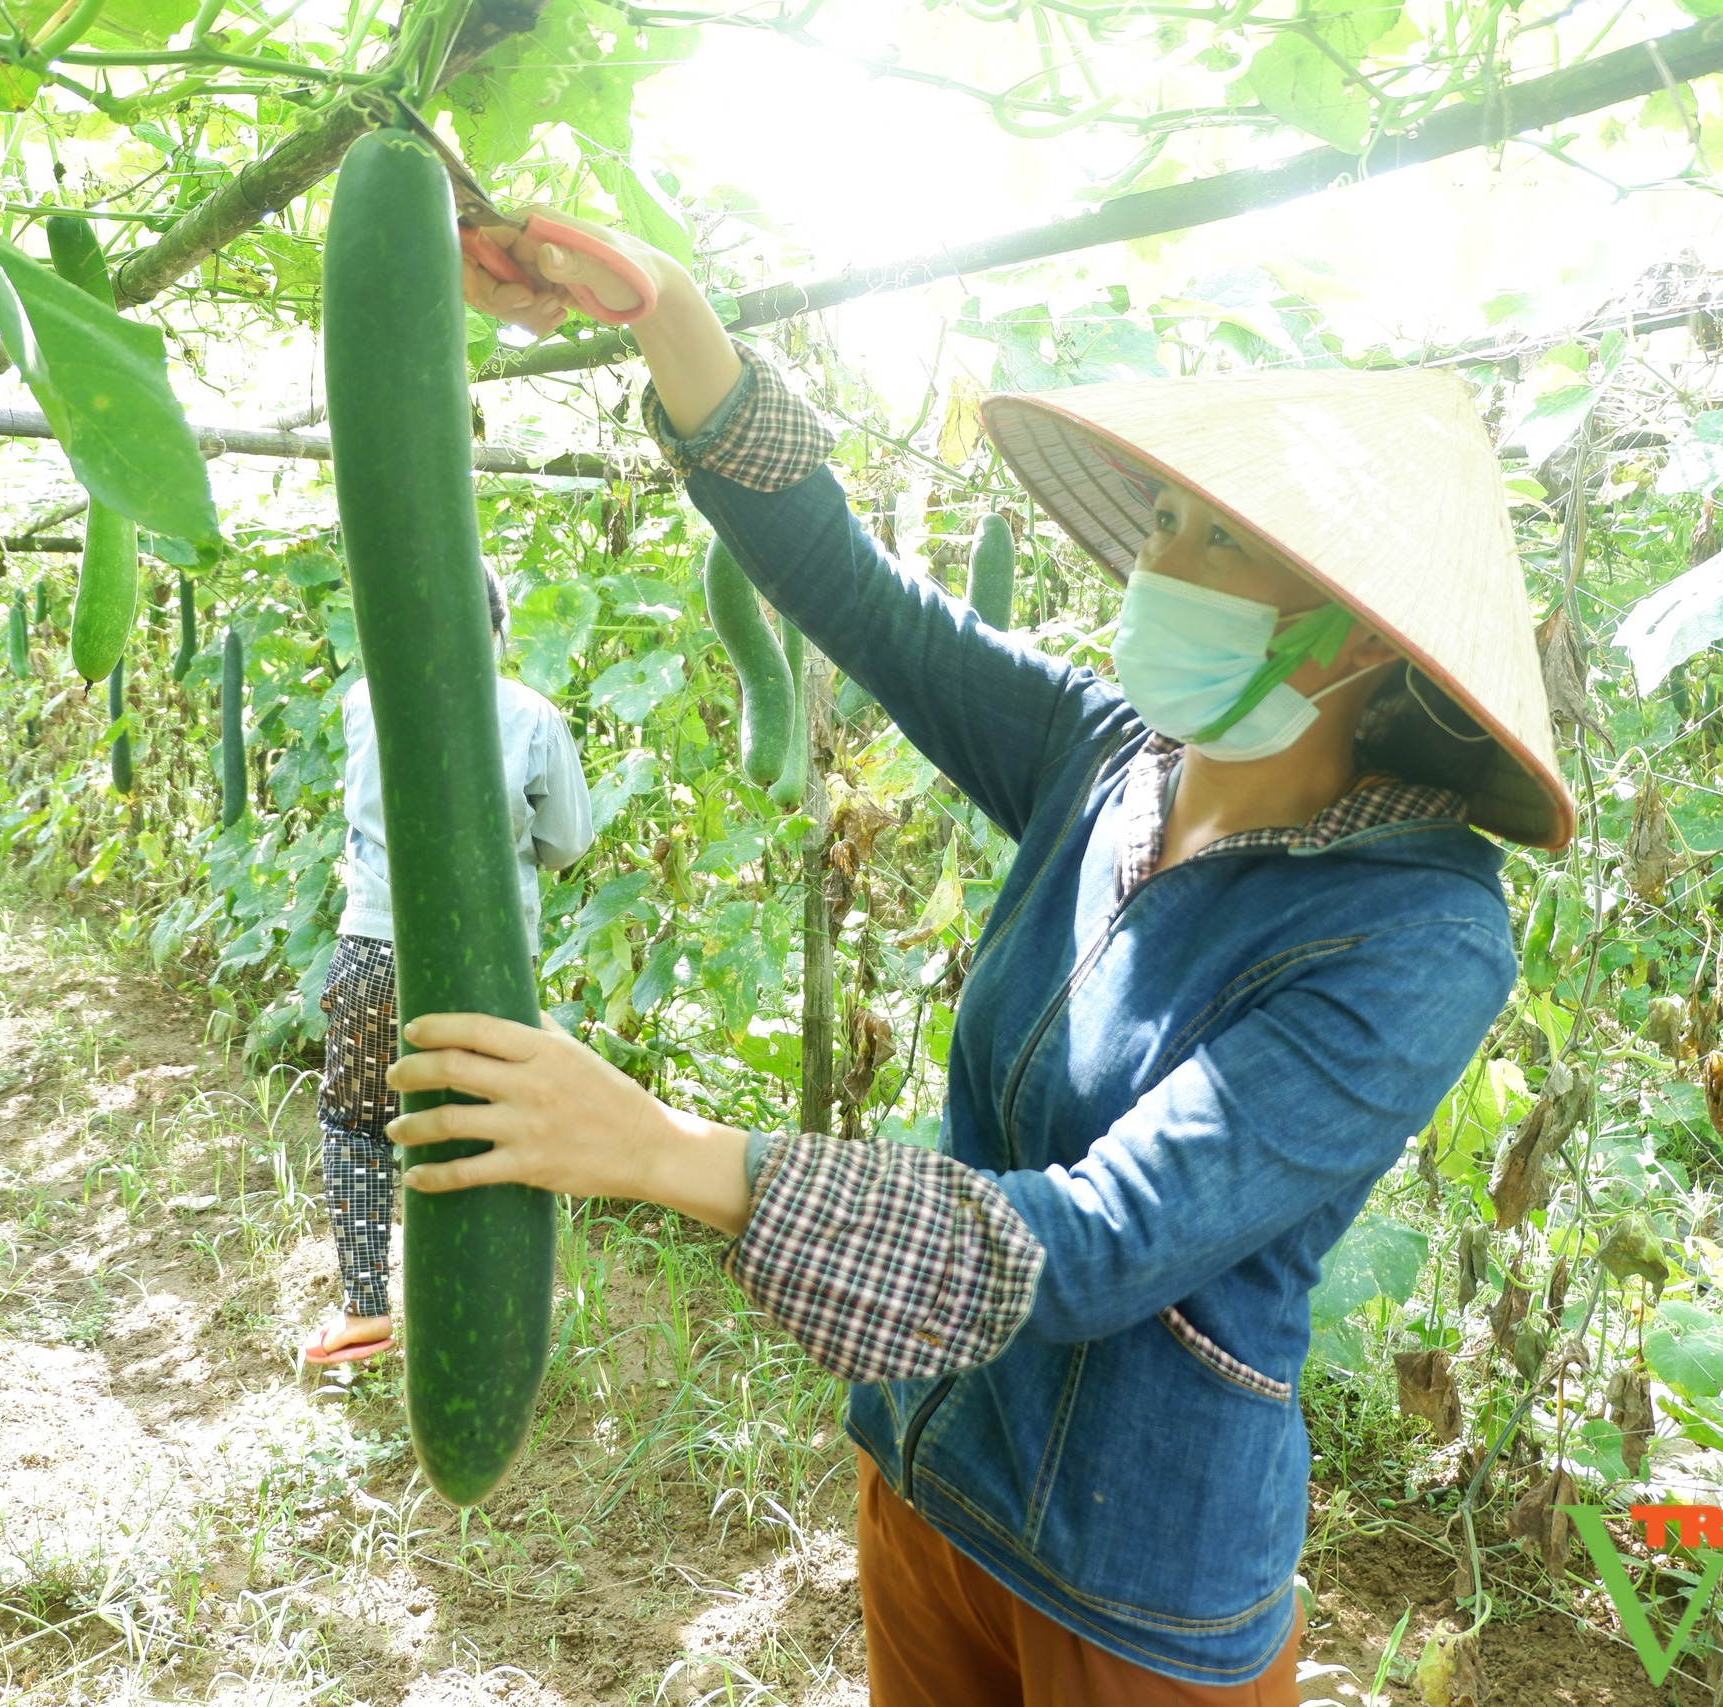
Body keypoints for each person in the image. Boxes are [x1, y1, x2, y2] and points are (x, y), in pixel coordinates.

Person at [387, 217, 1573, 1704]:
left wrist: (665, 1146)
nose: (1164, 555)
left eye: (1222, 541)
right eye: (1166, 521)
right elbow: (855, 590)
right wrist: (663, 313)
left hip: (1137, 1586)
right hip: (934, 1482)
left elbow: (1101, 1239)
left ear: (1354, 638)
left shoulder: (1420, 931)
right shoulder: (1103, 759)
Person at [301, 563, 594, 1368]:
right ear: (498, 628)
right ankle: (490, 1321)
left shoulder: (366, 699)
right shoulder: (532, 715)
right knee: (492, 1126)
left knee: (358, 1121)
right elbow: (568, 841)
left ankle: (366, 1310)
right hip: (487, 962)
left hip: (375, 945)